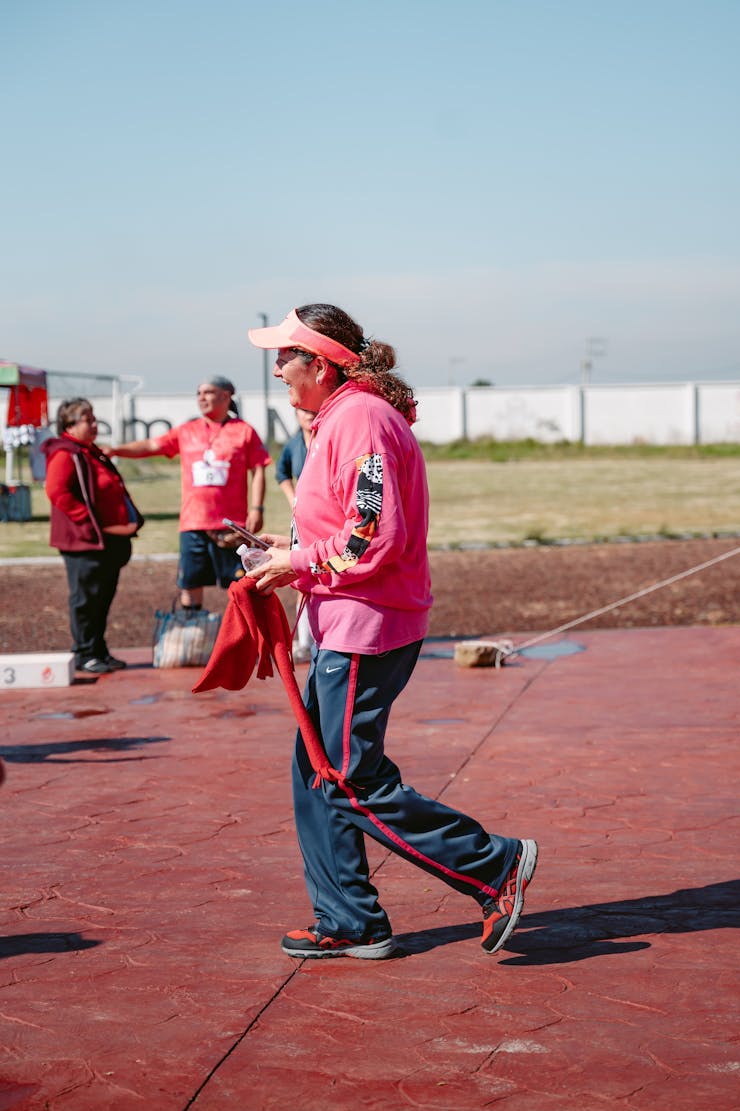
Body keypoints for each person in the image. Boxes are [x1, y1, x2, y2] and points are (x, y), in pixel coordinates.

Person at [247, 304, 538, 960]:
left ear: (320, 364)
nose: (276, 368)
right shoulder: (346, 418)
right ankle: (349, 917)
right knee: (317, 772)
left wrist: (296, 560)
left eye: (285, 356)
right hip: (350, 619)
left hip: (364, 627)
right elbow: (348, 522)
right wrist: (287, 544)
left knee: (347, 776)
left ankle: (494, 867)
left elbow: (369, 534)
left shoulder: (360, 420)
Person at [107, 376, 271, 610]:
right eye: (198, 393)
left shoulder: (243, 431)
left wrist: (257, 508)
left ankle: (241, 639)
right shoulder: (187, 430)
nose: (201, 398)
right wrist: (116, 450)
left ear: (225, 396)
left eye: (208, 392)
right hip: (194, 524)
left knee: (242, 587)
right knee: (190, 585)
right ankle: (194, 636)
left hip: (231, 526)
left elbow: (258, 469)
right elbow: (152, 445)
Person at [42, 398, 144, 674]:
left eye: (94, 418)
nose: (95, 424)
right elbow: (56, 491)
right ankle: (84, 653)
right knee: (86, 600)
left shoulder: (88, 451)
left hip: (107, 542)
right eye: (88, 419)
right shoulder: (65, 453)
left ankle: (98, 650)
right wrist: (89, 523)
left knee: (102, 598)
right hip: (84, 542)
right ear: (70, 425)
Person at [275, 407, 316, 662]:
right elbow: (281, 473)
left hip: (325, 517)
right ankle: (303, 641)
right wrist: (293, 499)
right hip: (303, 517)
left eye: (313, 410)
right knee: (302, 574)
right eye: (303, 411)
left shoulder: (328, 436)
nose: (308, 414)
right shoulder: (293, 445)